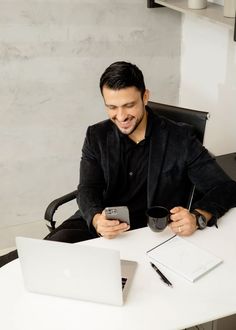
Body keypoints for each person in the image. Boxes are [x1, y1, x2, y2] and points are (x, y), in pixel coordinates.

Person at [1, 61, 236, 267]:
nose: (121, 116)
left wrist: (198, 216)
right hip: (101, 227)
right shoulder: (96, 135)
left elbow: (225, 188)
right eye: (112, 107)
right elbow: (87, 189)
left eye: (129, 105)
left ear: (145, 97)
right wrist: (95, 219)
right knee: (30, 259)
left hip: (149, 235)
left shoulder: (180, 138)